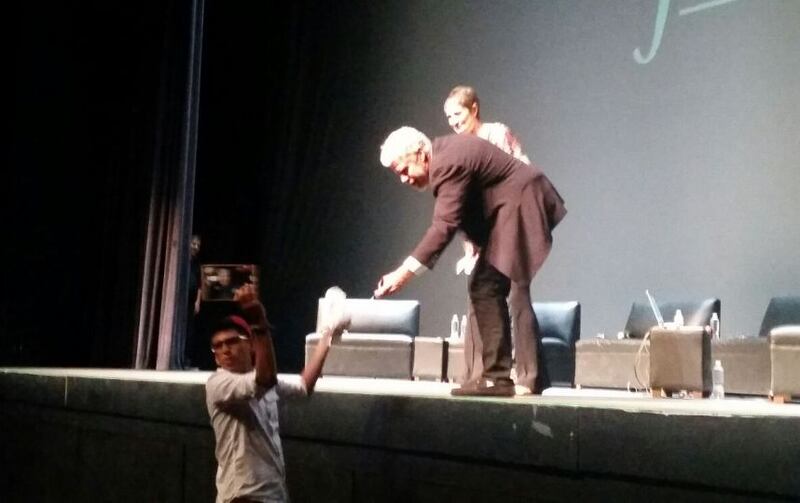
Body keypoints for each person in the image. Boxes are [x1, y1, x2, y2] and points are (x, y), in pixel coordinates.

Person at [374, 127, 566, 397]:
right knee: (484, 285)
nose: (404, 179)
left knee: (490, 285)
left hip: (522, 204)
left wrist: (403, 273)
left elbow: (444, 226)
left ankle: (502, 378)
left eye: (404, 170)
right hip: (510, 209)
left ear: (419, 152)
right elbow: (469, 210)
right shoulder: (446, 156)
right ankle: (496, 376)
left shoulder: (447, 163)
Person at [206, 284, 349, 502]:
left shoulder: (260, 379)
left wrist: (328, 333)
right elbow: (265, 380)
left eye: (232, 342)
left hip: (272, 494)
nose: (225, 350)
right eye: (218, 346)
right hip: (243, 497)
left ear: (251, 345)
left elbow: (303, 386)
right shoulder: (218, 383)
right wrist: (259, 323)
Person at [443, 85, 542, 395]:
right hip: (485, 233)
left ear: (474, 109)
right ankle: (480, 373)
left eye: (458, 114)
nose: (453, 122)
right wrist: (469, 251)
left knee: (518, 295)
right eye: (448, 117)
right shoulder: (459, 149)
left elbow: (523, 174)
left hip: (513, 224)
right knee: (479, 294)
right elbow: (463, 204)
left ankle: (527, 377)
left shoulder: (497, 134)